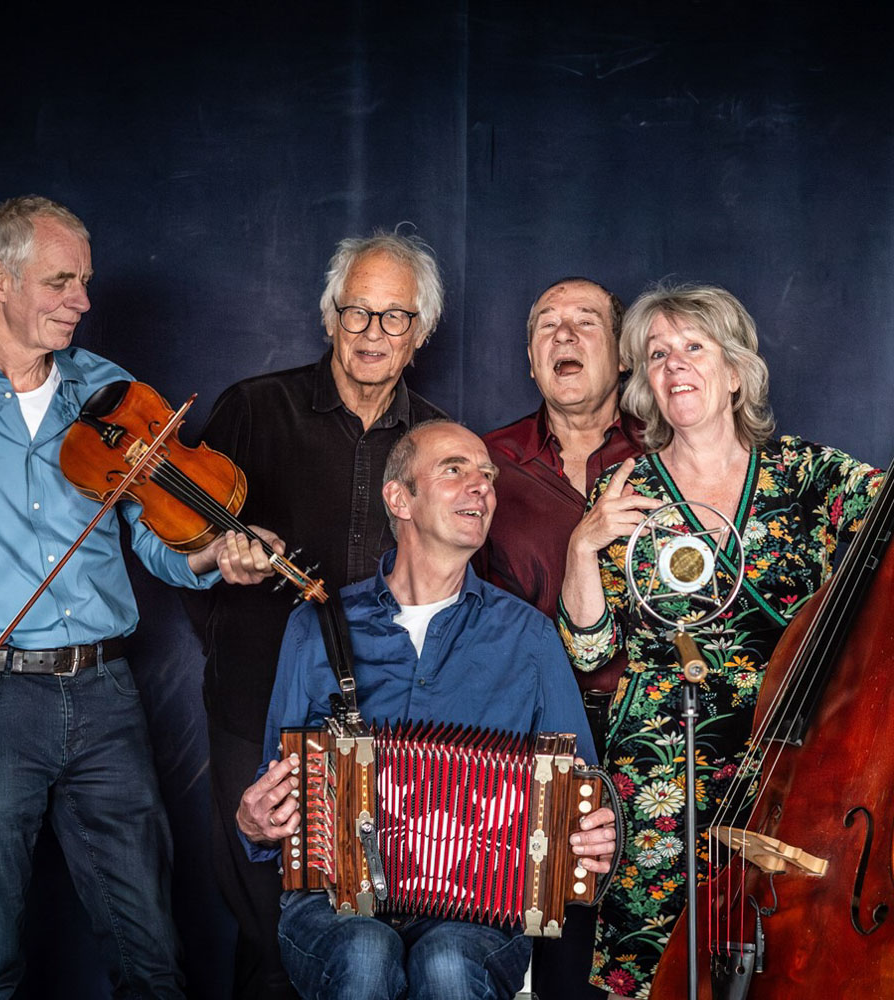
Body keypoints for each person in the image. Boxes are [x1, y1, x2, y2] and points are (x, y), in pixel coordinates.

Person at [0, 196, 227, 998]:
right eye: (61, 281)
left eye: (85, 281)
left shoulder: (111, 390)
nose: (83, 300)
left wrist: (215, 553)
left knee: (152, 954)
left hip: (108, 695)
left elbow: (154, 537)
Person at [557, 283, 883, 998]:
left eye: (693, 348)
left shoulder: (808, 475)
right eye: (656, 354)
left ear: (736, 371)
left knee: (781, 959)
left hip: (785, 767)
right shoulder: (622, 488)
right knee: (651, 968)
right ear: (643, 381)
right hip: (657, 774)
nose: (674, 366)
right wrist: (584, 548)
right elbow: (587, 654)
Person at [237, 420, 617, 1000]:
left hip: (481, 915)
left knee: (446, 962)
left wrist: (594, 835)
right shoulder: (317, 626)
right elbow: (272, 796)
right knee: (365, 949)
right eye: (454, 470)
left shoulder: (530, 640)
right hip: (332, 901)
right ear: (399, 497)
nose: (481, 486)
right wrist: (254, 822)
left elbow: (585, 796)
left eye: (487, 475)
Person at [194, 232, 446, 999]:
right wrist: (224, 586)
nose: (372, 334)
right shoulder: (252, 407)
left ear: (421, 331)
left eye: (394, 317)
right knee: (267, 920)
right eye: (356, 313)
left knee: (365, 923)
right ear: (329, 316)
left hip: (384, 721)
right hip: (254, 700)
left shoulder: (437, 438)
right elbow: (185, 542)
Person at [476, 276, 642, 752]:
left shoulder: (670, 455)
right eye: (547, 326)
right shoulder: (485, 463)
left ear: (624, 355)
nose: (563, 335)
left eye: (585, 323)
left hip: (651, 729)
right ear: (532, 362)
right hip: (524, 724)